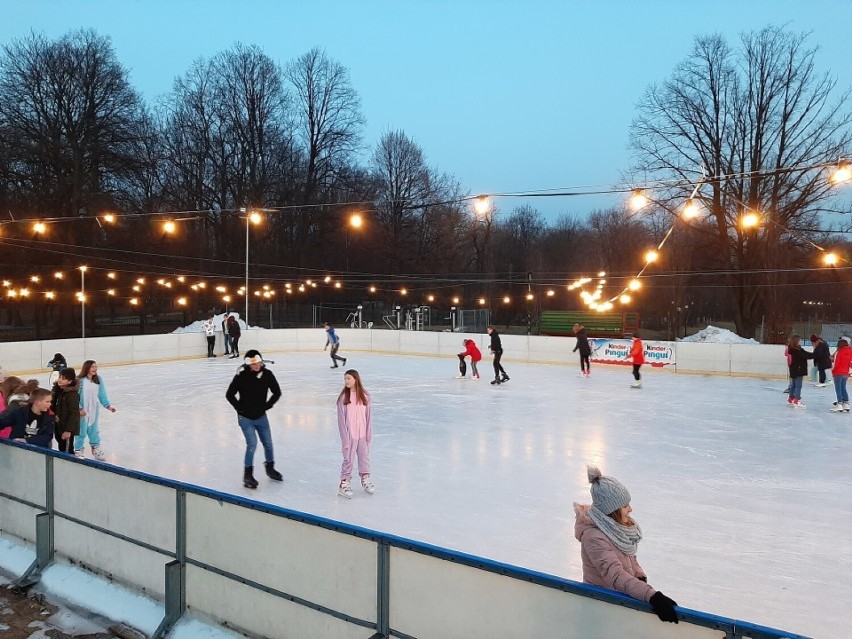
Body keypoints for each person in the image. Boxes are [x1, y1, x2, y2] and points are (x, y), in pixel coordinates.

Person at [574, 466, 679, 624]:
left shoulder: (615, 527)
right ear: (612, 510)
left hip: (620, 600)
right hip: (601, 606)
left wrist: (639, 577)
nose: (630, 509)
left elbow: (629, 556)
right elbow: (615, 575)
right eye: (625, 506)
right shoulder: (594, 537)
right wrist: (652, 596)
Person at [225, 349, 283, 488]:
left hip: (261, 417)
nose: (257, 365)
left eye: (258, 362)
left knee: (268, 443)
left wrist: (267, 406)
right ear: (248, 364)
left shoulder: (267, 374)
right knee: (252, 444)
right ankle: (248, 475)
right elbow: (229, 394)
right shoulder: (241, 376)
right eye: (253, 364)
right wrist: (239, 408)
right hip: (245, 418)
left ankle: (270, 468)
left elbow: (277, 392)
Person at [336, 369, 374, 498]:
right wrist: (345, 440)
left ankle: (365, 479)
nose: (346, 381)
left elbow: (369, 417)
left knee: (364, 457)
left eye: (348, 378)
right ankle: (344, 483)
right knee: (348, 459)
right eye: (345, 378)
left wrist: (368, 435)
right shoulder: (343, 399)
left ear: (355, 379)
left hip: (362, 434)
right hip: (350, 435)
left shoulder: (365, 396)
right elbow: (341, 422)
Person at [76, 360, 117, 459]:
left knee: (94, 430)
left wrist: (108, 406)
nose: (95, 368)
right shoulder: (79, 380)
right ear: (87, 368)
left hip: (94, 409)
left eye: (96, 366)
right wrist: (79, 408)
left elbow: (102, 394)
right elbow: (75, 396)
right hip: (82, 411)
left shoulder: (98, 379)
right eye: (92, 367)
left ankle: (95, 449)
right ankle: (78, 449)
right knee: (81, 431)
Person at [51, 368, 80, 453]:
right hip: (58, 425)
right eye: (60, 377)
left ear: (70, 381)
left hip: (67, 427)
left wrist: (68, 430)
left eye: (63, 379)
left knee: (67, 450)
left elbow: (74, 413)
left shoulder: (72, 394)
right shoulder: (57, 390)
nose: (60, 380)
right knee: (61, 446)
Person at [786, 335, 813, 408]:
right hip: (798, 369)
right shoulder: (796, 350)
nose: (800, 341)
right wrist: (816, 355)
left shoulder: (794, 349)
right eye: (799, 340)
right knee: (798, 385)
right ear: (796, 341)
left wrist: (814, 355)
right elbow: (806, 355)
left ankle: (791, 398)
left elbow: (806, 354)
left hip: (794, 369)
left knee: (793, 385)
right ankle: (796, 400)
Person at [830, 338, 851, 413]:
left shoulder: (839, 352)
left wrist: (832, 370)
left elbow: (836, 363)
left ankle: (839, 404)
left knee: (838, 389)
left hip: (838, 372)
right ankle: (846, 403)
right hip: (845, 372)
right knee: (843, 388)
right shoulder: (850, 351)